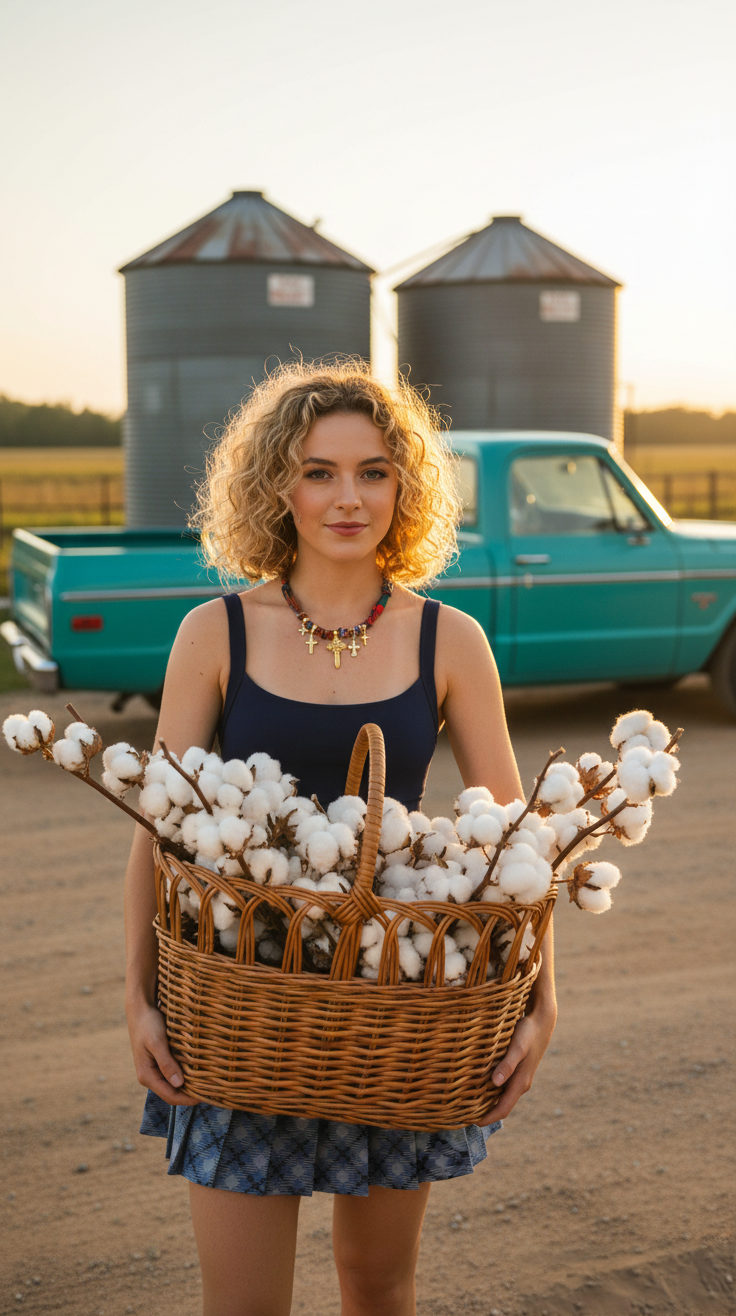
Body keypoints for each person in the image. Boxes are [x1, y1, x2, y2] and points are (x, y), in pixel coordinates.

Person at [124, 360, 557, 1316]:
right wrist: (140, 998)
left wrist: (540, 1002)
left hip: (395, 1008)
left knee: (378, 1284)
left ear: (404, 485)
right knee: (242, 1305)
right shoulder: (215, 633)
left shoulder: (450, 639)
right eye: (319, 471)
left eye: (372, 471)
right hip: (239, 1005)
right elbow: (159, 837)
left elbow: (517, 847)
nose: (347, 497)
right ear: (277, 484)